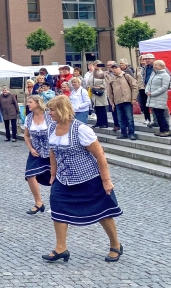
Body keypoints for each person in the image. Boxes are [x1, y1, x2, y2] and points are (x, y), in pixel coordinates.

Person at [43, 96, 123, 263]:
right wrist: (53, 174)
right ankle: (61, 248)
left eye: (51, 110)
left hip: (88, 178)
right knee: (58, 209)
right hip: (63, 179)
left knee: (103, 212)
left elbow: (100, 154)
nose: (49, 113)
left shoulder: (81, 129)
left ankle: (115, 244)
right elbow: (52, 151)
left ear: (61, 110)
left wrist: (106, 180)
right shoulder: (51, 127)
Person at [23, 96, 52, 214]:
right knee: (30, 174)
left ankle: (60, 202)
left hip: (51, 151)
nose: (27, 104)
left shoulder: (49, 115)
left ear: (38, 103)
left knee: (55, 178)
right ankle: (38, 202)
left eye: (30, 102)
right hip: (36, 151)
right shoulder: (29, 118)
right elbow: (26, 135)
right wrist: (30, 148)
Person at [106, 63, 138, 140]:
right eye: (113, 68)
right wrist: (112, 103)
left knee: (129, 118)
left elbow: (134, 87)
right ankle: (123, 133)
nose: (114, 70)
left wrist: (133, 98)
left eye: (116, 68)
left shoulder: (127, 76)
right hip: (117, 102)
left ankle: (131, 133)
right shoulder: (112, 79)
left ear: (120, 68)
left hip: (127, 100)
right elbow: (110, 92)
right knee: (120, 119)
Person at [146, 59, 171, 137]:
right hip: (153, 97)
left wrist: (153, 93)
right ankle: (162, 130)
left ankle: (166, 130)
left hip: (160, 98)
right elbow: (148, 84)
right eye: (154, 65)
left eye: (156, 65)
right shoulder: (154, 74)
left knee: (161, 115)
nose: (154, 66)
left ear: (161, 66)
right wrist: (147, 91)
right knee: (157, 115)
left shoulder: (165, 75)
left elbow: (164, 87)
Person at [89, 63, 110, 128]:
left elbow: (105, 83)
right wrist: (89, 86)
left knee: (102, 109)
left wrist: (98, 87)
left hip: (100, 93)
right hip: (93, 93)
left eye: (97, 65)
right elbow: (89, 82)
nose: (95, 67)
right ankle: (98, 122)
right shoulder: (91, 74)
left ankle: (104, 123)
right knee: (96, 109)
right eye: (94, 65)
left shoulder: (102, 73)